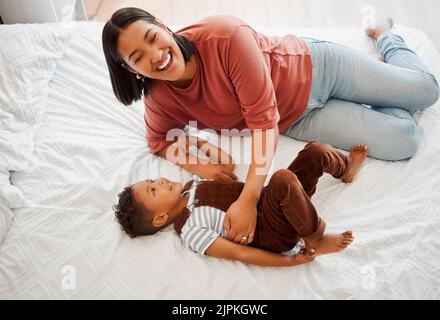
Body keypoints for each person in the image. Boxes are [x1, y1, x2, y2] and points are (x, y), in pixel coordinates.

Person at [102, 8, 439, 246]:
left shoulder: (225, 36)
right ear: (131, 69)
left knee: (426, 91)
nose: (155, 55)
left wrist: (248, 199)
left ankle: (386, 38)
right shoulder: (159, 98)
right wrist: (199, 164)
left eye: (151, 38)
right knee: (404, 140)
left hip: (317, 67)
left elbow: (263, 125)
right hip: (297, 117)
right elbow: (157, 140)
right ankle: (380, 86)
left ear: (163, 25)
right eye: (137, 56)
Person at [113, 141, 368, 267]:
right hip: (272, 231)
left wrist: (200, 143)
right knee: (282, 179)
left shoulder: (193, 184)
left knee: (316, 151)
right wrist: (289, 262)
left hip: (277, 198)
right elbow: (241, 253)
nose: (160, 180)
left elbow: (228, 163)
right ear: (159, 219)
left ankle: (344, 170)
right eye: (153, 189)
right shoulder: (190, 230)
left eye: (152, 179)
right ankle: (315, 238)